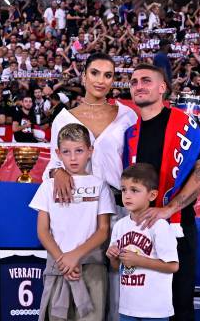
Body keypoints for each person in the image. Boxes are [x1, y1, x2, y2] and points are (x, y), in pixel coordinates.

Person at [46, 52, 137, 321]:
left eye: (108, 75)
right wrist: (57, 170)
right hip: (79, 208)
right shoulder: (63, 118)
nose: (101, 80)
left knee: (121, 279)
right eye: (95, 73)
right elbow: (53, 160)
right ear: (83, 76)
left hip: (120, 207)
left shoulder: (128, 115)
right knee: (86, 279)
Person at [123, 63, 200, 321]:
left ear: (162, 88)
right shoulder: (130, 134)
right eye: (134, 81)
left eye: (146, 80)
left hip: (177, 227)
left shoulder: (184, 122)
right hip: (141, 230)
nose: (139, 85)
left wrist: (169, 209)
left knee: (179, 305)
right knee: (143, 307)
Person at [30, 123, 115, 321]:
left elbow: (103, 230)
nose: (73, 157)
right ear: (58, 154)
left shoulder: (100, 186)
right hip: (58, 265)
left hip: (91, 266)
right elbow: (42, 230)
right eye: (67, 152)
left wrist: (74, 256)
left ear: (90, 151)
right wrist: (63, 259)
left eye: (79, 151)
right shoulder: (47, 186)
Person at [107, 163, 179, 321]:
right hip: (127, 307)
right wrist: (113, 257)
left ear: (152, 195)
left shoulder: (159, 226)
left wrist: (139, 260)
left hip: (154, 310)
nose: (127, 195)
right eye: (124, 189)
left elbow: (173, 266)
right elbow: (117, 267)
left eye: (134, 190)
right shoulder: (120, 226)